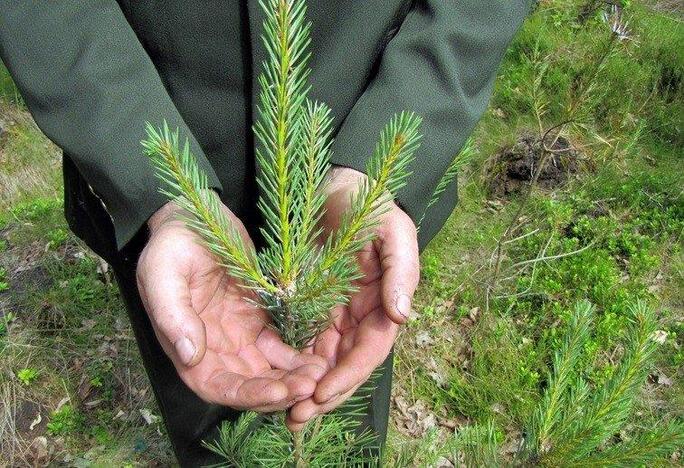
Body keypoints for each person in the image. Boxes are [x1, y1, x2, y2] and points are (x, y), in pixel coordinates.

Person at [0, 1, 532, 465]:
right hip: (170, 165)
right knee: (209, 402)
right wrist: (158, 190)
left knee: (340, 405)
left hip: (353, 185)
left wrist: (376, 169)